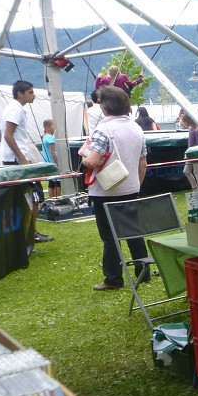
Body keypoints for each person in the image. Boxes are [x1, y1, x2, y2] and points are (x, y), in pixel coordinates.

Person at [81, 86, 148, 291]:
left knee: (110, 237)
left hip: (106, 192)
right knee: (134, 232)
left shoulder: (103, 130)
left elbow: (92, 161)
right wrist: (136, 184)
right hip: (131, 188)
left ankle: (113, 279)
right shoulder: (136, 128)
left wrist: (84, 154)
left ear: (105, 106)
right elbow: (143, 162)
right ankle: (143, 273)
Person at [0, 80, 51, 244]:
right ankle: (29, 235)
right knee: (34, 196)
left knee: (25, 198)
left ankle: (28, 234)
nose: (33, 94)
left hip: (12, 158)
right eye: (30, 92)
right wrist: (22, 158)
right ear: (20, 94)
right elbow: (8, 135)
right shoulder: (16, 110)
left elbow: (3, 134)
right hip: (17, 161)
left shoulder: (12, 108)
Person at [179, 110, 198, 191]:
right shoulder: (191, 129)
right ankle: (194, 187)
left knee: (197, 172)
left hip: (196, 154)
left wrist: (192, 152)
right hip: (190, 154)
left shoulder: (196, 130)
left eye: (184, 121)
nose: (184, 124)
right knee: (186, 171)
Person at [40, 119, 62, 198]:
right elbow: (53, 152)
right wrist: (58, 163)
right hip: (52, 162)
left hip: (47, 162)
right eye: (53, 125)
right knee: (57, 182)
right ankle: (57, 198)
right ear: (48, 127)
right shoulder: (50, 138)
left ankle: (51, 199)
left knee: (51, 182)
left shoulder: (44, 137)